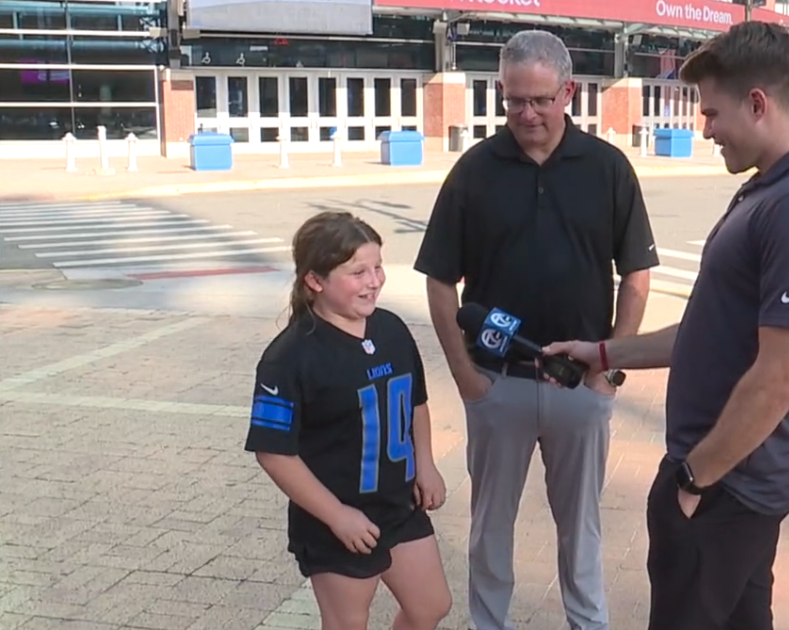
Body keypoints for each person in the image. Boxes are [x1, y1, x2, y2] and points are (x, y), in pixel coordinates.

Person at [543, 21, 789, 630]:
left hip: (727, 489)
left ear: (759, 104)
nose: (704, 128)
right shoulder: (770, 191)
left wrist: (694, 479)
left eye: (712, 113)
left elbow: (781, 377)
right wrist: (602, 354)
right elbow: (707, 332)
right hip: (724, 485)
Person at [413, 29, 659, 630]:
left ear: (568, 91)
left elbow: (636, 277)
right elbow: (440, 283)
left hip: (582, 387)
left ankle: (588, 623)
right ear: (501, 93)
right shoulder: (474, 172)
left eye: (541, 100)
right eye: (514, 99)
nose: (527, 113)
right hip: (498, 387)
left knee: (581, 531)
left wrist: (608, 367)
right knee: (489, 529)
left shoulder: (607, 168)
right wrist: (466, 377)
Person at [245, 211, 452, 630]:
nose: (374, 280)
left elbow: (416, 403)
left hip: (400, 504)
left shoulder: (391, 329)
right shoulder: (289, 358)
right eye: (357, 272)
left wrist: (425, 464)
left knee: (431, 606)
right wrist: (337, 515)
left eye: (377, 267)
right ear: (315, 281)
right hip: (336, 519)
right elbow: (273, 452)